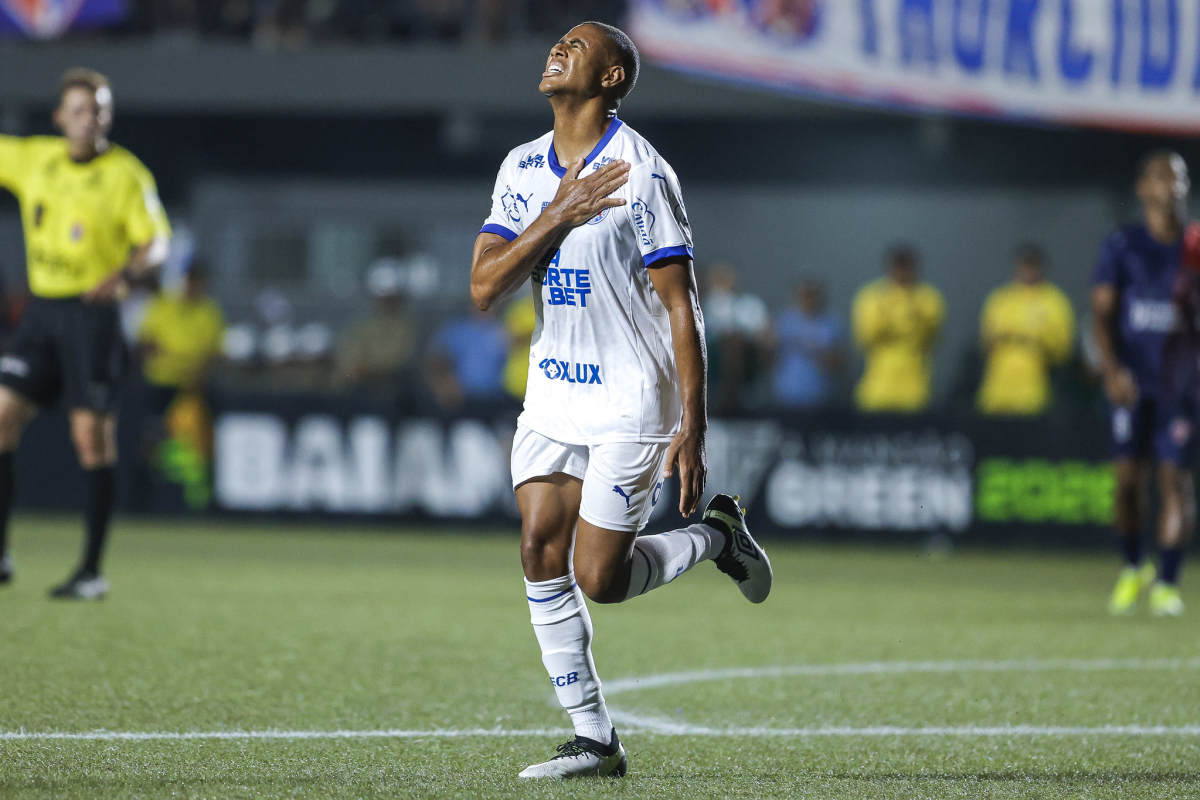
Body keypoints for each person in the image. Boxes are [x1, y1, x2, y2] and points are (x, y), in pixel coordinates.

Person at [470, 21, 771, 779]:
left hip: (633, 398)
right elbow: (482, 286)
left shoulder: (642, 172)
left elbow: (683, 305)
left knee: (600, 578)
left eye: (578, 46)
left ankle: (715, 539)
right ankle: (596, 740)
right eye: (556, 42)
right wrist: (559, 214)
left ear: (611, 80)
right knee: (539, 547)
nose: (556, 50)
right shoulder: (522, 166)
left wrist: (693, 425)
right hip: (552, 391)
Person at [0, 69, 170, 597]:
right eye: (77, 110)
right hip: (41, 311)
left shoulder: (126, 175)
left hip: (91, 316)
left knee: (90, 440)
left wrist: (127, 273)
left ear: (107, 116)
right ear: (59, 118)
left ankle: (91, 570)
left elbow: (157, 244)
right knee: (1, 417)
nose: (87, 119)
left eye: (97, 110)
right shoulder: (34, 159)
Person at [1093, 151, 1194, 617]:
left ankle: (1168, 582)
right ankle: (1133, 566)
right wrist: (1112, 372)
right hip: (1132, 385)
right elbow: (1101, 315)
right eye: (1159, 176)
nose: (1169, 185)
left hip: (1181, 386)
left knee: (1173, 481)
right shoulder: (1123, 245)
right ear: (1142, 188)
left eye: (1177, 177)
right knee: (1127, 484)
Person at [976, 244, 1075, 415]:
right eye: (1024, 264)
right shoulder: (1000, 299)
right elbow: (986, 343)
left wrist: (1031, 339)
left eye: (1032, 264)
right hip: (997, 391)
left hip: (1035, 391)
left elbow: (1063, 349)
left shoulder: (1055, 301)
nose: (1027, 269)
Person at [851, 244, 944, 412]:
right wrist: (903, 323)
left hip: (915, 388)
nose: (902, 272)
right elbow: (865, 339)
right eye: (898, 266)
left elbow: (932, 339)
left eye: (906, 266)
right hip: (877, 388)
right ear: (889, 268)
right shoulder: (871, 297)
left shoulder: (929, 298)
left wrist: (893, 322)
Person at [137, 261, 225, 411]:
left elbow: (217, 349)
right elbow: (146, 341)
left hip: (195, 385)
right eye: (190, 280)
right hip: (161, 381)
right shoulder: (163, 304)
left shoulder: (210, 311)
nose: (192, 286)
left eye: (197, 282)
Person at [702, 262, 770, 412]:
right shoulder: (706, 306)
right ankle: (727, 394)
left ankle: (742, 392)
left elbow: (765, 335)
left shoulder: (752, 304)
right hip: (715, 360)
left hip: (749, 357)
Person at [770, 278, 843, 409]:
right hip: (788, 393)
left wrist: (811, 346)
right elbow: (771, 358)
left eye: (812, 295)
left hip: (820, 395)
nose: (808, 300)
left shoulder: (830, 323)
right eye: (804, 295)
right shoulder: (784, 321)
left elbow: (837, 363)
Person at [425, 305, 509, 409]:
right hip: (461, 398)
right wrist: (443, 383)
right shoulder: (457, 330)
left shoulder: (504, 330)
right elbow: (436, 358)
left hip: (499, 398)